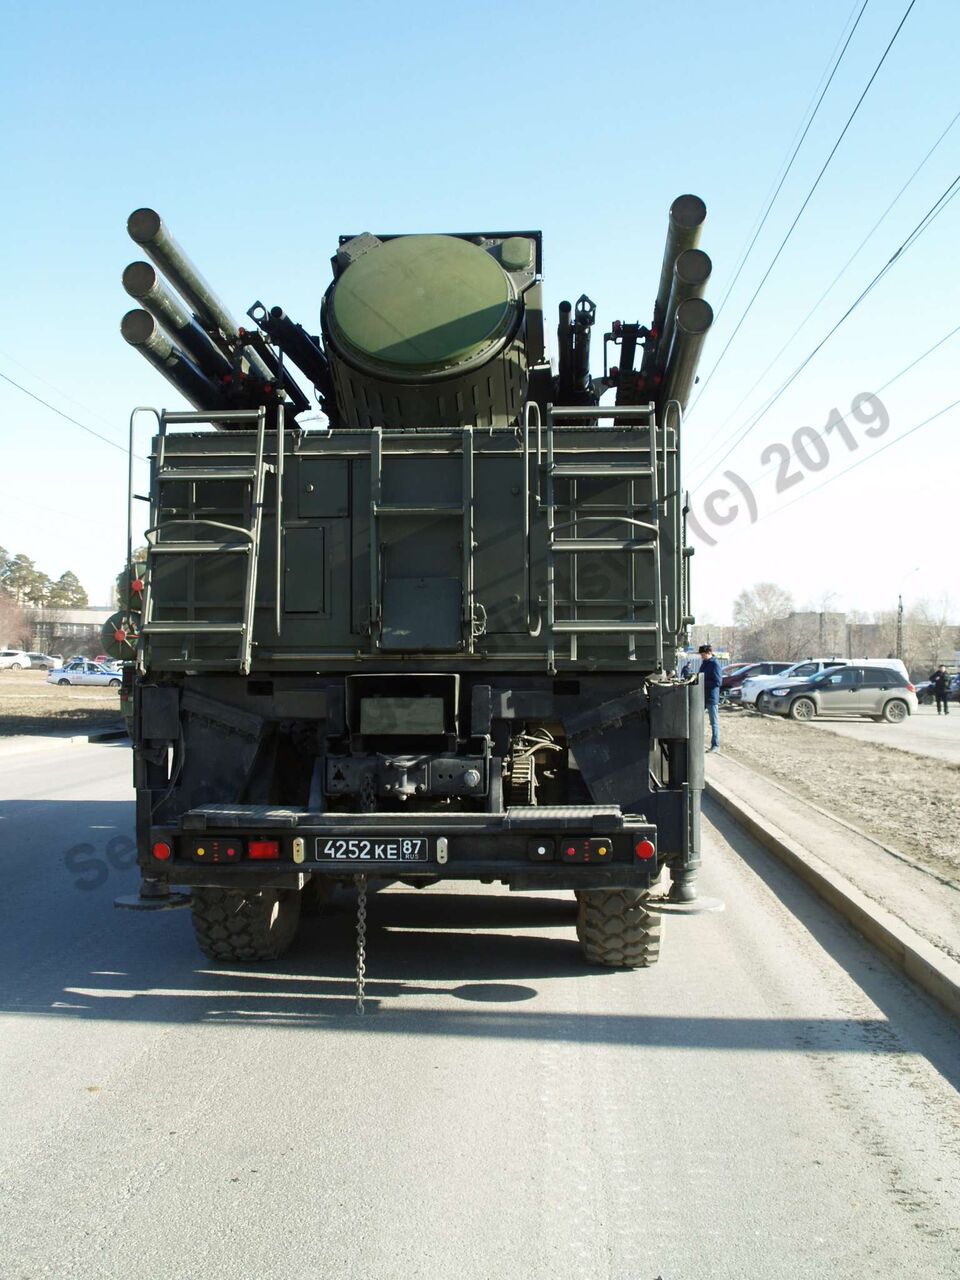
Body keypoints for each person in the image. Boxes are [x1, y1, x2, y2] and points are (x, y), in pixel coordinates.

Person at [699, 643, 722, 751]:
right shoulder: (705, 663)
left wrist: (703, 683)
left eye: (703, 654)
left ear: (708, 653)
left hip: (711, 697)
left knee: (714, 722)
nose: (701, 656)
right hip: (702, 696)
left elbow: (718, 682)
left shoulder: (715, 664)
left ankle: (715, 745)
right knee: (697, 718)